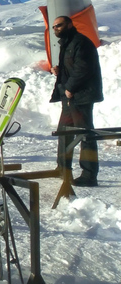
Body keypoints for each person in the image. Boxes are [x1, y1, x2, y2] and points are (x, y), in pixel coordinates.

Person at [50, 15, 103, 187]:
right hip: (69, 97)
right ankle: (62, 168)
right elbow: (72, 67)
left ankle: (89, 175)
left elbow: (84, 68)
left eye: (59, 25)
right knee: (64, 132)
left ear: (70, 24)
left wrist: (70, 87)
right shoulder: (67, 43)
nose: (56, 28)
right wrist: (59, 71)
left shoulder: (81, 42)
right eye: (54, 27)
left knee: (85, 135)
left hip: (81, 96)